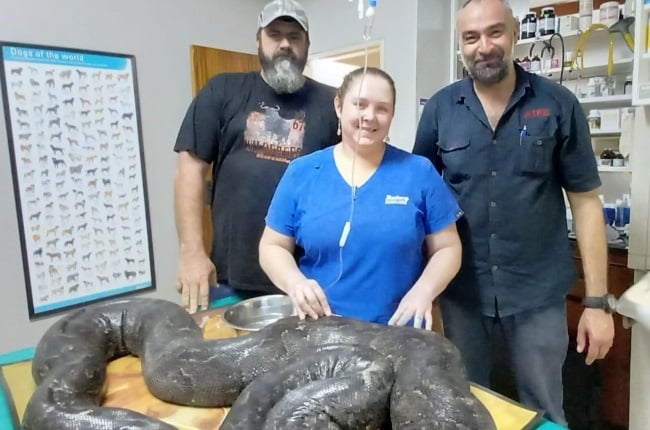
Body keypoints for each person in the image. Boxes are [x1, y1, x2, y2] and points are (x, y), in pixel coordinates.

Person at [413, 0, 615, 425]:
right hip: (462, 293)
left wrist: (597, 303)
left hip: (537, 294)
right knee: (462, 404)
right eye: (471, 37)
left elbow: (586, 202)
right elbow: (422, 205)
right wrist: (422, 291)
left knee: (542, 407)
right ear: (460, 44)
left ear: (515, 32)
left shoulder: (558, 104)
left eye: (494, 32)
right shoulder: (440, 110)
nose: (484, 46)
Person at [258, 67, 463, 329]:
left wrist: (424, 290)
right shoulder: (302, 173)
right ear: (339, 106)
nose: (370, 116)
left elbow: (448, 248)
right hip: (321, 328)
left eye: (382, 108)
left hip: (398, 330)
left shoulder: (419, 172)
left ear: (392, 115)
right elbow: (272, 246)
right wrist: (295, 283)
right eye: (360, 105)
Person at [173, 0, 338, 313]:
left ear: (307, 44)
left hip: (309, 281)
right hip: (231, 277)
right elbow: (189, 170)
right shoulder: (223, 91)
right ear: (259, 40)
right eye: (275, 34)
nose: (285, 44)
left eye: (294, 36)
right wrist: (191, 252)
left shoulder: (333, 103)